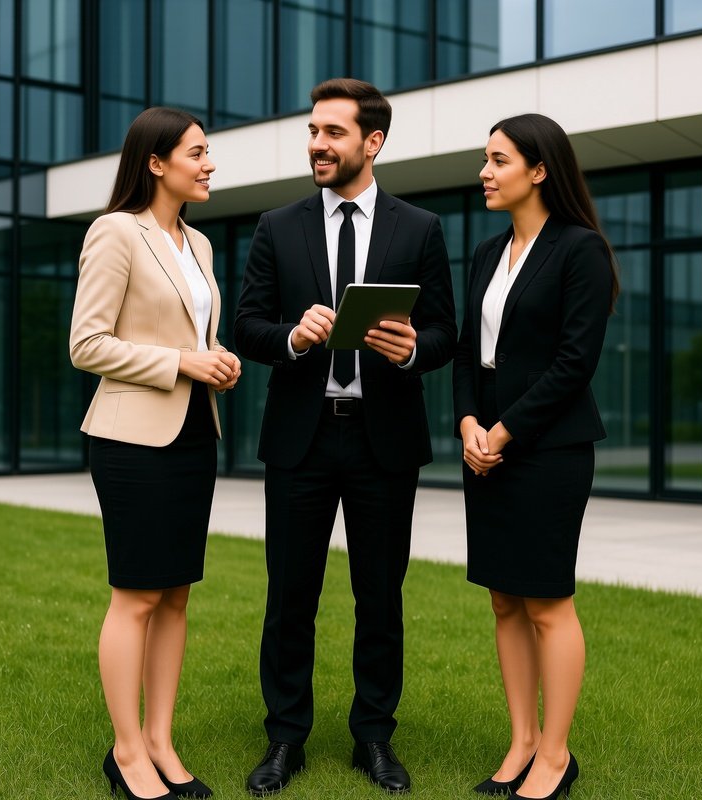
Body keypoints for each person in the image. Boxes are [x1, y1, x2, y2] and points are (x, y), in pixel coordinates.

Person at [234, 77, 456, 795]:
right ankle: (284, 740)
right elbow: (247, 326)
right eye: (312, 131)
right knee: (289, 594)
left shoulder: (419, 229)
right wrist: (294, 337)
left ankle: (374, 738)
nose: (316, 145)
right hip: (300, 439)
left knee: (380, 598)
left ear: (373, 141)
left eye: (332, 133)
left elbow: (445, 331)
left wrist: (412, 348)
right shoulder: (277, 225)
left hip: (383, 440)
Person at [70, 106, 241, 800]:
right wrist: (182, 362)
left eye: (208, 152)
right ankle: (127, 751)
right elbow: (88, 344)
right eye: (197, 152)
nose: (209, 164)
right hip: (129, 439)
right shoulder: (116, 232)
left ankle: (163, 743)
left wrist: (213, 360)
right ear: (155, 162)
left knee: (175, 596)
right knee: (136, 595)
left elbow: (189, 339)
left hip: (194, 434)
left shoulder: (195, 245)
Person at [452, 113, 617, 800]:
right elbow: (469, 351)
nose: (484, 173)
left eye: (498, 160)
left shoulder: (580, 250)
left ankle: (555, 754)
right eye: (484, 160)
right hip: (484, 446)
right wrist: (467, 423)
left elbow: (575, 362)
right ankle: (521, 741)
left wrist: (505, 432)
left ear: (539, 169)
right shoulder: (487, 252)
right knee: (503, 602)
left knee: (548, 603)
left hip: (549, 450)